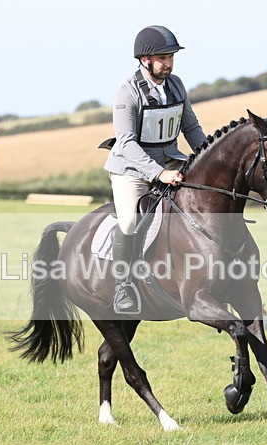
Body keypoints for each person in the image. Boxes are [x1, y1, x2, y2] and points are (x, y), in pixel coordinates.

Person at [103, 25, 207, 312]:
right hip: (132, 170)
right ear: (144, 60)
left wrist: (207, 156)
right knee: (128, 222)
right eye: (163, 58)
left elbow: (191, 127)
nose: (169, 63)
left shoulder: (176, 85)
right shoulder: (127, 92)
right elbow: (126, 143)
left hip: (171, 160)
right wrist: (158, 173)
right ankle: (123, 286)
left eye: (172, 57)